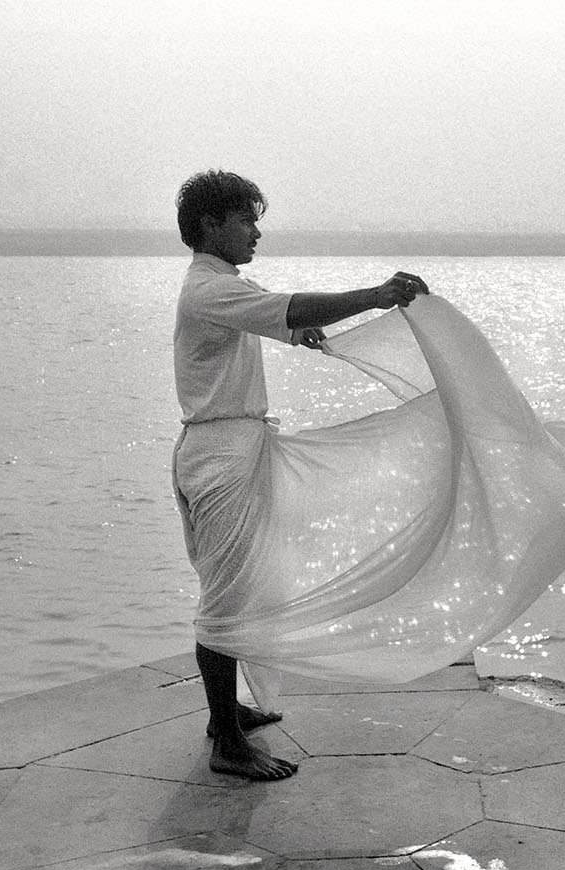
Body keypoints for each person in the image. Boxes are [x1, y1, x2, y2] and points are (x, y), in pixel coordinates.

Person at [172, 169, 428, 780]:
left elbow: (284, 316)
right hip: (219, 459)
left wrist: (301, 329)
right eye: (245, 220)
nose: (256, 233)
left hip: (231, 448)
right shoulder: (207, 290)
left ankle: (225, 714)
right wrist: (374, 295)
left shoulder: (223, 287)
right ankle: (228, 742)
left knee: (240, 585)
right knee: (225, 596)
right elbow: (291, 306)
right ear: (211, 224)